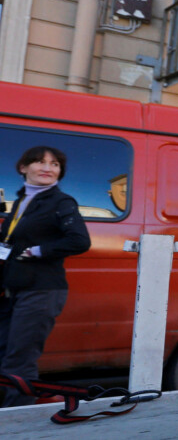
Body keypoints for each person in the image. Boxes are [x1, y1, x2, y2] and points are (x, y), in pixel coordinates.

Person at [0, 146, 91, 407]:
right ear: (23, 168)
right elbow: (8, 244)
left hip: (41, 290)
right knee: (4, 353)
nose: (47, 168)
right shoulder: (20, 202)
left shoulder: (61, 202)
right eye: (40, 162)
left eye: (54, 164)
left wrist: (39, 250)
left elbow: (79, 241)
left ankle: (19, 421)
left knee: (20, 360)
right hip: (13, 290)